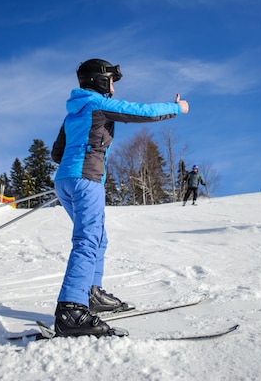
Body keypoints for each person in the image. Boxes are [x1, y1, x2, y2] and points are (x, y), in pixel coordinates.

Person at [50, 58, 189, 337]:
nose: (113, 87)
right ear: (100, 81)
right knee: (88, 239)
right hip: (86, 179)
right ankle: (70, 310)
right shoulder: (96, 103)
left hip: (66, 179)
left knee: (98, 237)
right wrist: (176, 108)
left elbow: (57, 153)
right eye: (112, 80)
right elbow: (140, 112)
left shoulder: (73, 111)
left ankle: (92, 294)